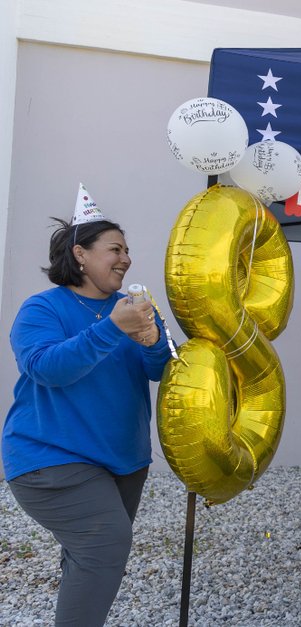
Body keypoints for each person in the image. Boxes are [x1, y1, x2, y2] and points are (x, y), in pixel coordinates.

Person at [3, 185, 170, 625]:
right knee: (106, 546)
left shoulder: (132, 308)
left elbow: (161, 370)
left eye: (128, 249)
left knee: (87, 557)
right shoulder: (41, 309)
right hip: (50, 458)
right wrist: (113, 329)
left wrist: (153, 339)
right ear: (80, 254)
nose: (127, 258)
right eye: (115, 248)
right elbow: (46, 368)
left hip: (124, 461)